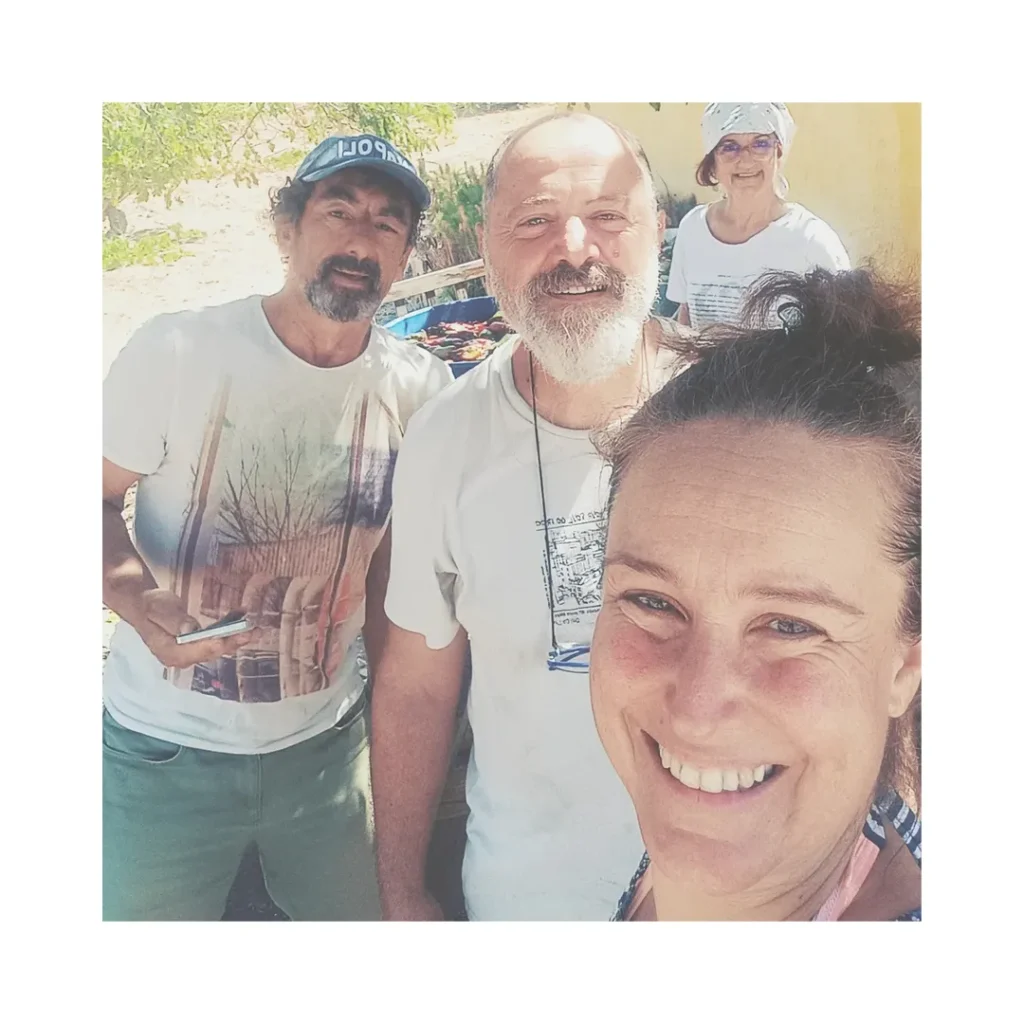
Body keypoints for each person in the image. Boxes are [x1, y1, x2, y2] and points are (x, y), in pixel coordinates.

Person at [102, 133, 452, 920]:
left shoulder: (420, 388)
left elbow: (396, 570)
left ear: (404, 257)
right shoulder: (180, 351)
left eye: (386, 224)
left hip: (327, 756)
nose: (359, 240)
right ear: (287, 229)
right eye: (338, 212)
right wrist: (133, 596)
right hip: (163, 750)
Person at [370, 112, 687, 921]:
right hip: (527, 900)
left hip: (740, 901)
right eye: (535, 222)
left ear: (658, 231)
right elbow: (415, 686)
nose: (575, 249)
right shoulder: (445, 439)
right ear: (486, 246)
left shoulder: (747, 413)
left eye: (607, 216)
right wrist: (403, 890)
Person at [589, 267, 922, 921]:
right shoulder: (716, 822)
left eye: (791, 625)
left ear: (905, 666)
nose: (697, 712)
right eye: (653, 601)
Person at [666, 103, 850, 328]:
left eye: (760, 144)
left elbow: (844, 332)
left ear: (778, 152)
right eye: (729, 147)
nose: (746, 160)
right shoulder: (693, 229)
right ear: (712, 161)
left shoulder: (811, 241)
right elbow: (686, 317)